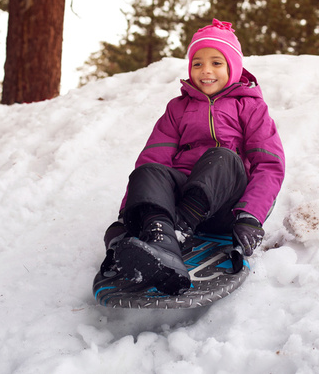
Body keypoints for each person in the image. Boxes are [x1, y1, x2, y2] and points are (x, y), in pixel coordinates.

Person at [101, 19, 285, 295]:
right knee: (149, 170)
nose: (205, 71)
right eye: (197, 63)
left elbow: (269, 165)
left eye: (216, 63)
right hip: (179, 199)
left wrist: (250, 216)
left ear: (233, 68)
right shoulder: (178, 109)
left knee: (222, 157)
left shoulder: (249, 106)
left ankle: (177, 230)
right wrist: (125, 215)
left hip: (225, 206)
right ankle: (161, 240)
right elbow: (153, 158)